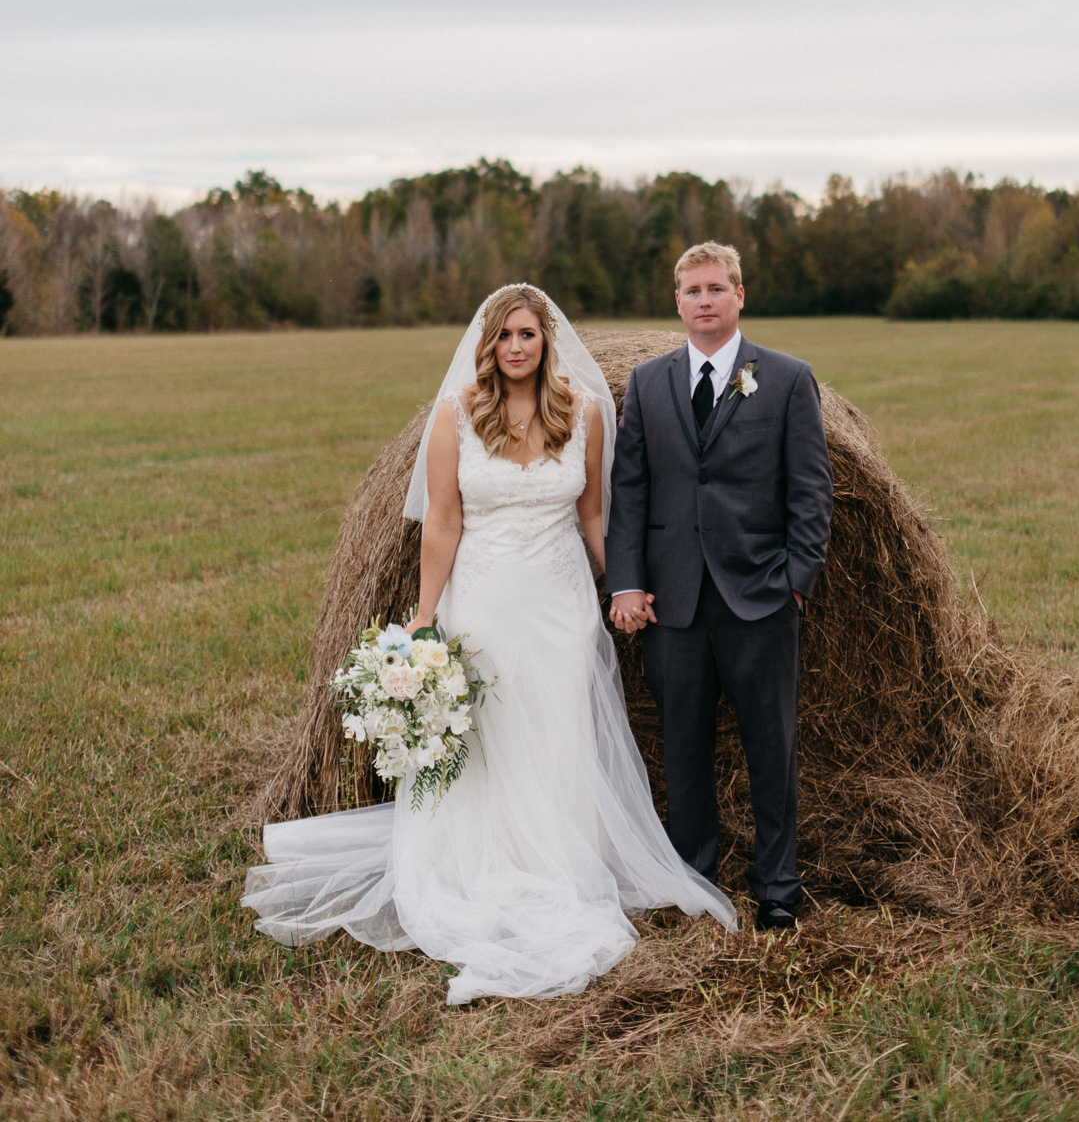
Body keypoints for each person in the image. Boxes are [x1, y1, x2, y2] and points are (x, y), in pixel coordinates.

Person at [242, 284, 735, 1003]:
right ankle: (482, 869)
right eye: (504, 335)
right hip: (486, 602)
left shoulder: (587, 413)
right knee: (490, 739)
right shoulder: (456, 418)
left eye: (528, 334)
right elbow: (442, 523)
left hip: (561, 603)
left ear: (546, 340)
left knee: (557, 730)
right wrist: (424, 616)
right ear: (487, 343)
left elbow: (595, 515)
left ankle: (562, 864)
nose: (516, 346)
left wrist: (625, 587)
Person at [606, 243, 833, 930]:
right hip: (675, 604)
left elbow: (811, 491)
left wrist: (795, 581)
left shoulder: (788, 379)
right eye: (691, 290)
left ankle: (778, 889)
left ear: (739, 296)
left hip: (760, 598)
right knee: (683, 747)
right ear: (677, 302)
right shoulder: (648, 384)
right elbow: (631, 492)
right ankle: (695, 879)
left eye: (716, 288)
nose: (704, 300)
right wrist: (627, 583)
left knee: (772, 747)